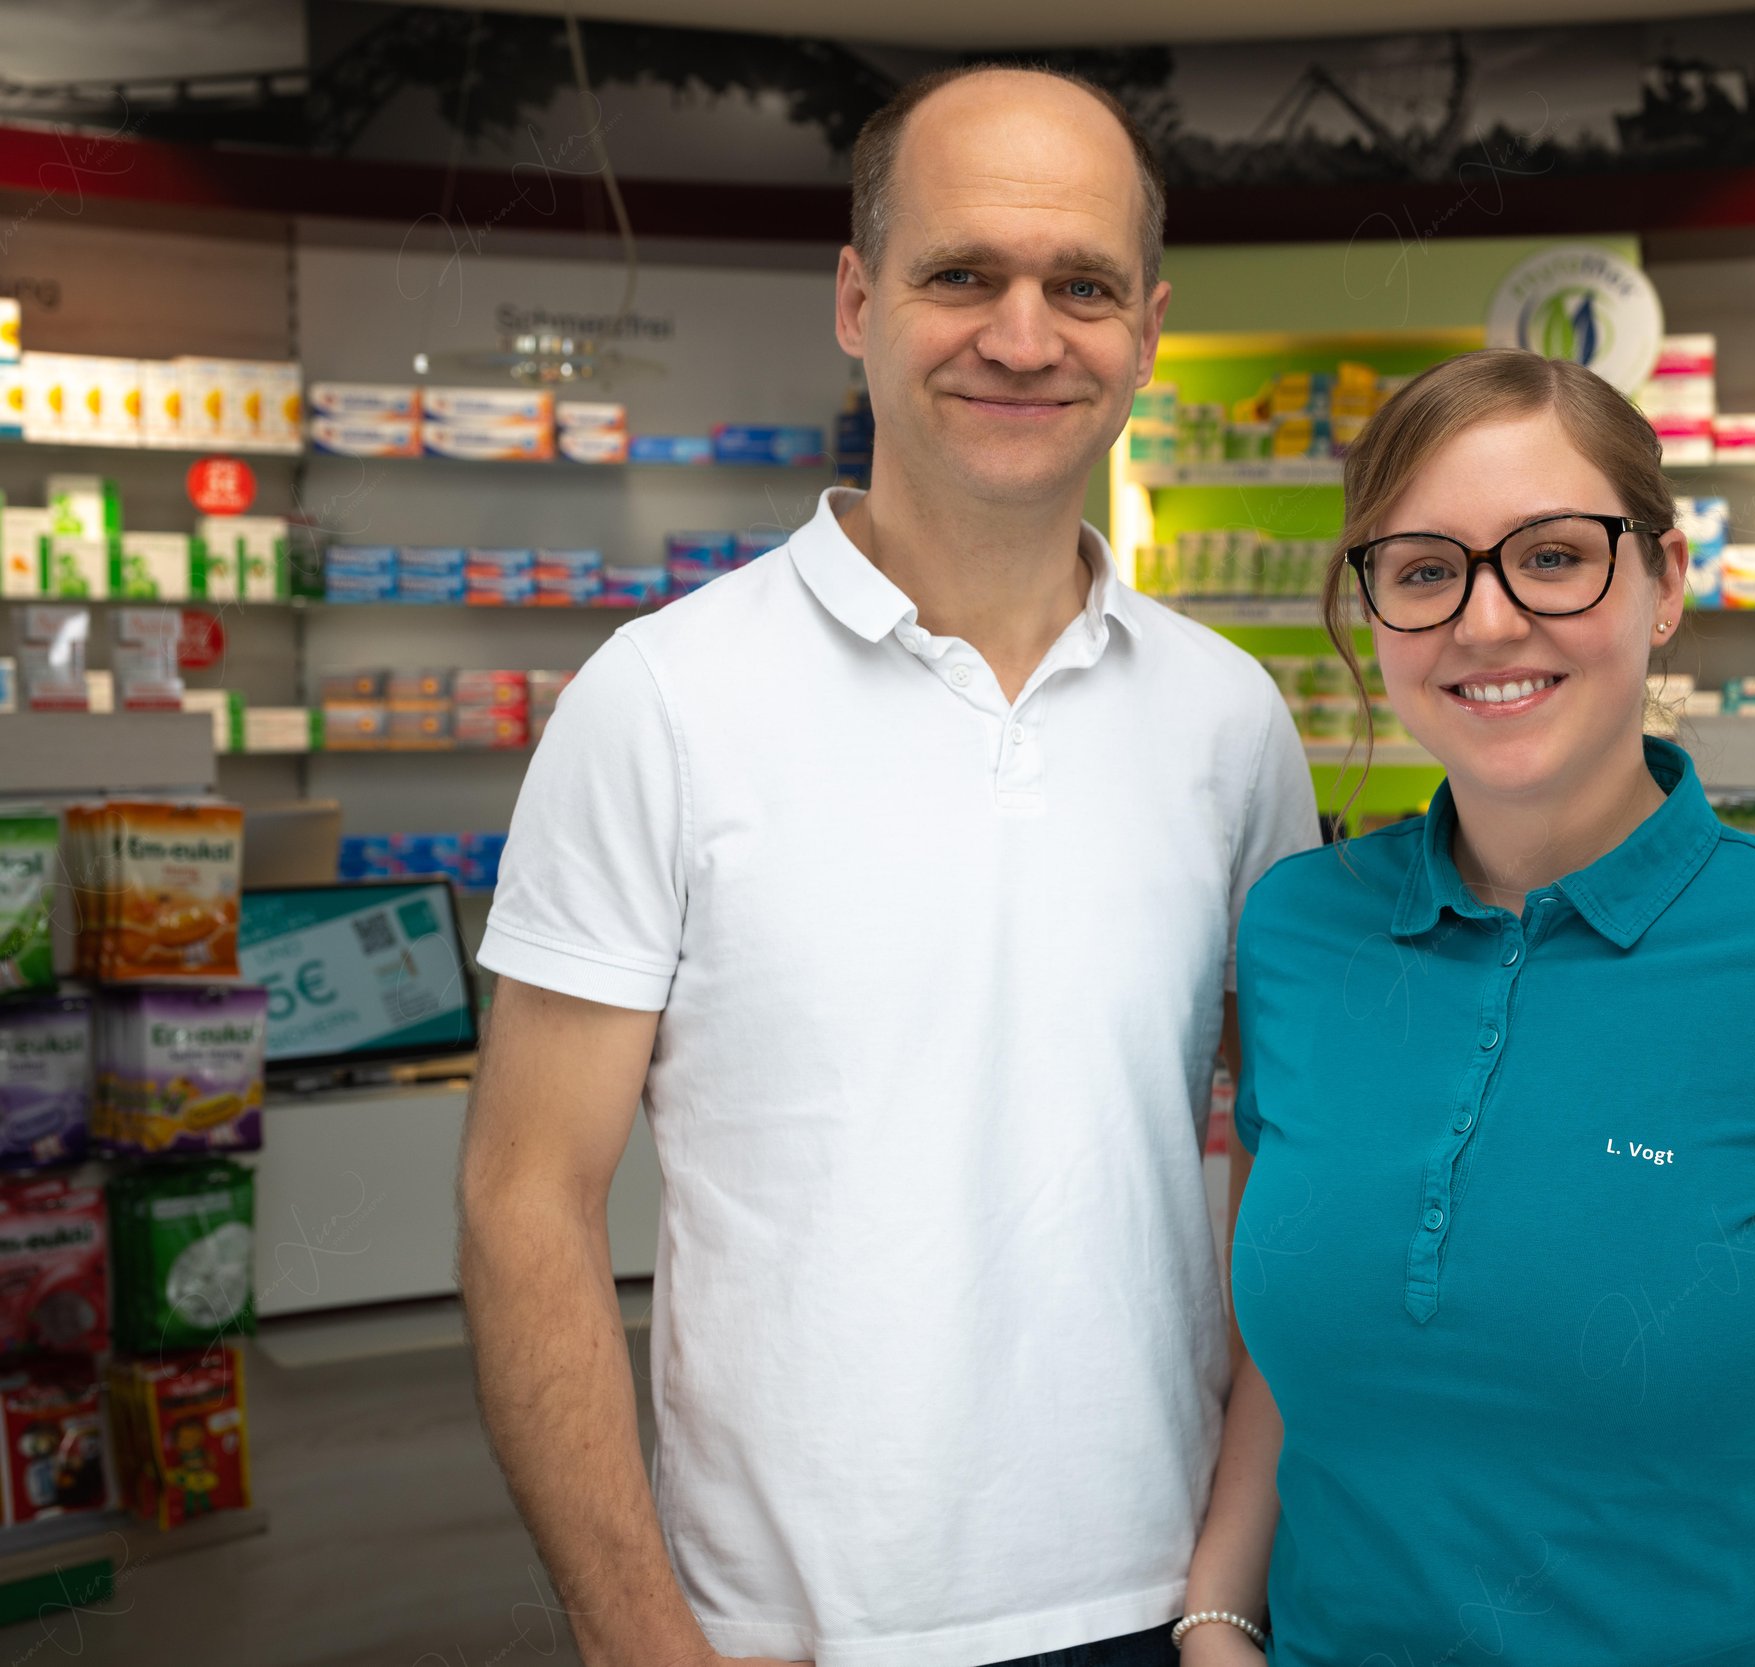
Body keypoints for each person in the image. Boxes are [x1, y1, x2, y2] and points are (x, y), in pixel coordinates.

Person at [457, 65, 1317, 1667]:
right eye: (961, 274)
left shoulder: (1231, 721)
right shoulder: (662, 700)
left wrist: (1225, 1583)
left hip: (1159, 1608)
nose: (1023, 336)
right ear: (857, 301)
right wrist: (644, 1643)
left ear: (1148, 329)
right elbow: (526, 1199)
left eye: (1082, 286)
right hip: (786, 1628)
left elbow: (1293, 1159)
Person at [1175, 349, 1755, 1666]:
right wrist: (1217, 1621)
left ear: (1666, 582)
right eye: (1424, 570)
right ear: (1373, 611)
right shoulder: (1297, 930)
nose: (1486, 621)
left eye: (1554, 556)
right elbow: (1289, 1357)